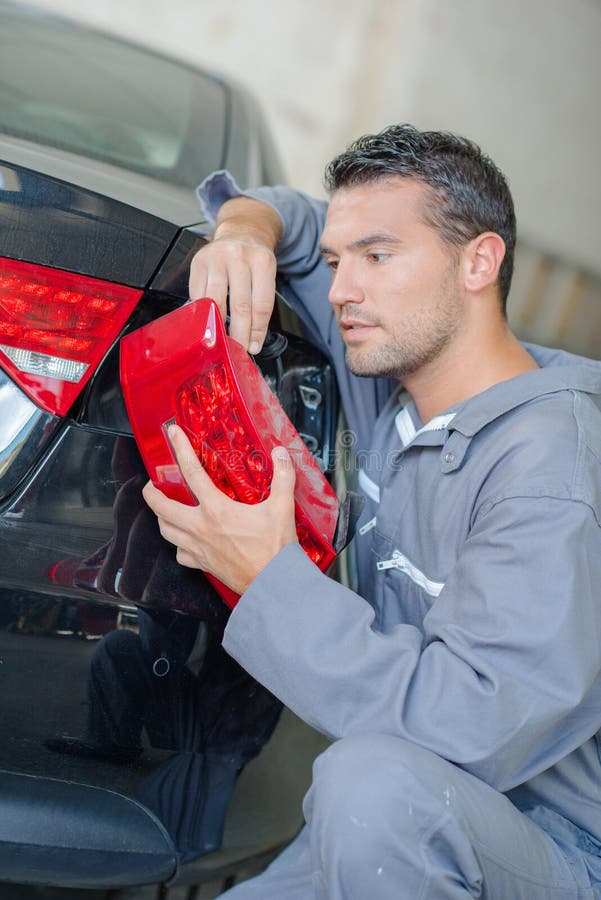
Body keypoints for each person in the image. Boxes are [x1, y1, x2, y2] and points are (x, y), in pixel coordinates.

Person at [143, 125, 601, 898]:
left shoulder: (547, 467)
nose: (339, 291)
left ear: (478, 263)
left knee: (368, 784)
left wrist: (268, 579)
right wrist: (244, 229)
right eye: (335, 263)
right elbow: (293, 220)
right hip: (410, 823)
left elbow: (471, 730)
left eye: (377, 257)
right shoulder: (393, 379)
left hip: (546, 845)